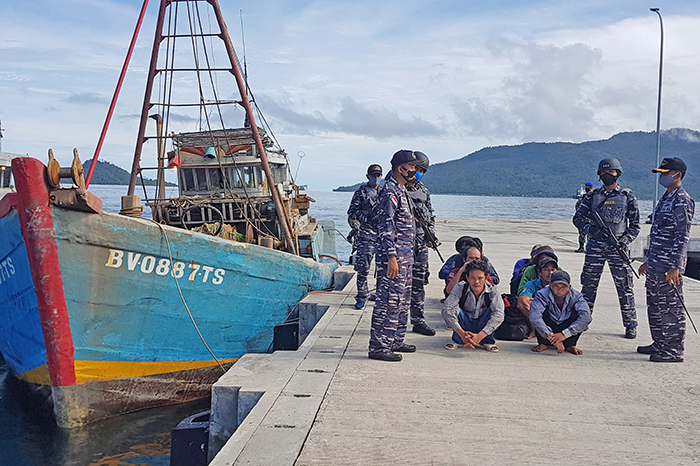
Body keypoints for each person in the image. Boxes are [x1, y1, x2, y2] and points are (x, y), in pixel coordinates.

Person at [573, 157, 640, 339]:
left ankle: (630, 324)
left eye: (610, 172)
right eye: (603, 173)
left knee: (624, 288)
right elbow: (578, 218)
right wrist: (590, 230)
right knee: (588, 286)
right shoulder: (592, 196)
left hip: (617, 248)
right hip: (595, 247)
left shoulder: (627, 197)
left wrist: (623, 241)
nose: (606, 175)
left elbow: (635, 226)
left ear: (617, 174)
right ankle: (582, 321)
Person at [638, 157, 695, 362]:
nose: (662, 176)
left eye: (665, 172)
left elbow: (682, 236)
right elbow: (658, 233)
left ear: (677, 175)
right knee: (655, 306)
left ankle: (673, 350)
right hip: (656, 264)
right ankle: (660, 343)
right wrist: (648, 260)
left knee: (671, 308)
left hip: (668, 266)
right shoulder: (666, 197)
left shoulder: (682, 200)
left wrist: (676, 267)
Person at [368, 150, 420, 362]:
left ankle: (396, 340)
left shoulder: (401, 189)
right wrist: (391, 256)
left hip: (405, 257)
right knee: (388, 302)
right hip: (395, 258)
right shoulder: (389, 191)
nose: (415, 171)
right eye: (412, 167)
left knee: (402, 302)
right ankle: (379, 348)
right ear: (401, 169)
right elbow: (386, 225)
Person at [405, 151, 437, 336]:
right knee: (400, 285)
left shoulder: (424, 190)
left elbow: (429, 214)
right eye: (415, 168)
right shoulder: (397, 189)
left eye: (421, 170)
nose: (417, 172)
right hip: (404, 243)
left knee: (419, 283)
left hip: (420, 242)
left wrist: (430, 235)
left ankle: (418, 321)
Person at [442, 259, 504, 352]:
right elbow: (447, 310)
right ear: (467, 277)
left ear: (486, 278)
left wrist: (479, 336)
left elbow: (499, 315)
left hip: (483, 324)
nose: (476, 282)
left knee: (494, 312)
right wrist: (462, 334)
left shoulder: (493, 291)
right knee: (453, 309)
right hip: (464, 323)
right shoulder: (460, 287)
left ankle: (487, 341)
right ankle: (459, 339)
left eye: (480, 278)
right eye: (472, 278)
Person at [347, 164, 384, 309]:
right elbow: (352, 212)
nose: (376, 178)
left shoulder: (385, 192)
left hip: (383, 236)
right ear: (367, 176)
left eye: (378, 176)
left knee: (383, 269)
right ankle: (361, 296)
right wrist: (367, 217)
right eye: (373, 176)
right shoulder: (361, 192)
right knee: (363, 268)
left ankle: (380, 294)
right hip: (366, 235)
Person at [529, 270, 592, 355]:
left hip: (567, 328)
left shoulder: (576, 297)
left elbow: (586, 317)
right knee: (538, 315)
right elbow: (534, 317)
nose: (560, 290)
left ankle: (570, 344)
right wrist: (551, 337)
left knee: (580, 316)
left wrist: (564, 334)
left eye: (563, 287)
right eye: (556, 286)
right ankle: (543, 343)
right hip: (548, 326)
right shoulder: (542, 295)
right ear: (550, 286)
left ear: (569, 287)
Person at [517, 254, 559, 338]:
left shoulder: (561, 285)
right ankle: (536, 329)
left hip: (557, 316)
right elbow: (523, 300)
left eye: (553, 270)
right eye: (546, 270)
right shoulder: (532, 284)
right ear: (540, 272)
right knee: (522, 302)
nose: (550, 273)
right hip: (538, 315)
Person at [575, 182, 594, 252]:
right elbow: (578, 206)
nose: (586, 188)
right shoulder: (583, 197)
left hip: (591, 219)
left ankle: (589, 248)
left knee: (590, 235)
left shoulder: (594, 197)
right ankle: (581, 247)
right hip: (583, 219)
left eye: (587, 186)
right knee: (581, 234)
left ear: (591, 188)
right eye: (586, 186)